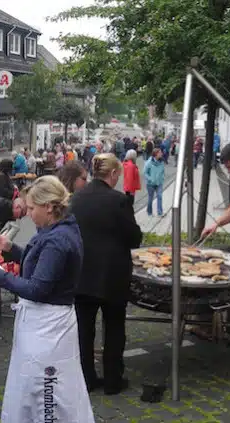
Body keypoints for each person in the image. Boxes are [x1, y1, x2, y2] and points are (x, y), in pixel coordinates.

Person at [0, 176, 95, 423]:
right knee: (37, 383)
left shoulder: (58, 240)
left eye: (32, 209)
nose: (28, 214)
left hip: (48, 328)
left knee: (46, 388)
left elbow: (37, 288)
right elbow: (40, 262)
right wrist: (9, 247)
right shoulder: (58, 229)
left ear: (49, 206)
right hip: (45, 325)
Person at [70, 154, 143, 395]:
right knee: (114, 328)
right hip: (113, 275)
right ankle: (113, 380)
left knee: (84, 330)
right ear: (112, 174)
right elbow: (134, 238)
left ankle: (86, 378)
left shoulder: (76, 199)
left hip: (83, 274)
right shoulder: (118, 201)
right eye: (118, 176)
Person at [144, 148, 165, 217]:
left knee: (160, 196)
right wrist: (150, 179)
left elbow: (163, 171)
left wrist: (162, 178)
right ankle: (149, 212)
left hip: (159, 183)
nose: (161, 153)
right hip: (150, 184)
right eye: (160, 152)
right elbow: (145, 173)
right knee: (150, 198)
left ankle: (160, 212)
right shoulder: (149, 162)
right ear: (156, 154)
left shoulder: (161, 161)